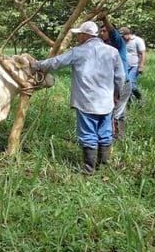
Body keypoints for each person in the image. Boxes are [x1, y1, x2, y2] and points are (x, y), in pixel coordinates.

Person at [30, 21, 125, 174]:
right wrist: (116, 94)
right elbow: (120, 77)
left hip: (86, 101)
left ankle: (89, 169)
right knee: (105, 132)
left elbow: (55, 63)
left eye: (79, 34)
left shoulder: (78, 52)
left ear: (85, 35)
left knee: (88, 133)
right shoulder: (112, 52)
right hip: (106, 101)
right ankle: (103, 166)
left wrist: (36, 65)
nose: (78, 37)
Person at [100, 16, 131, 140]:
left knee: (115, 113)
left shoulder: (118, 44)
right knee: (118, 112)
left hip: (121, 84)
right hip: (110, 84)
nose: (102, 33)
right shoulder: (101, 47)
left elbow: (113, 33)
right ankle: (118, 137)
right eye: (100, 31)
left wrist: (104, 19)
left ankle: (113, 138)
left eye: (104, 31)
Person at [120, 27, 147, 103]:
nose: (122, 38)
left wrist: (141, 66)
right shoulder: (122, 41)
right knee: (124, 86)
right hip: (125, 67)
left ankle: (140, 98)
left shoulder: (138, 40)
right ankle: (130, 103)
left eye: (123, 36)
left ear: (128, 34)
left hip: (134, 66)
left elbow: (143, 53)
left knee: (131, 85)